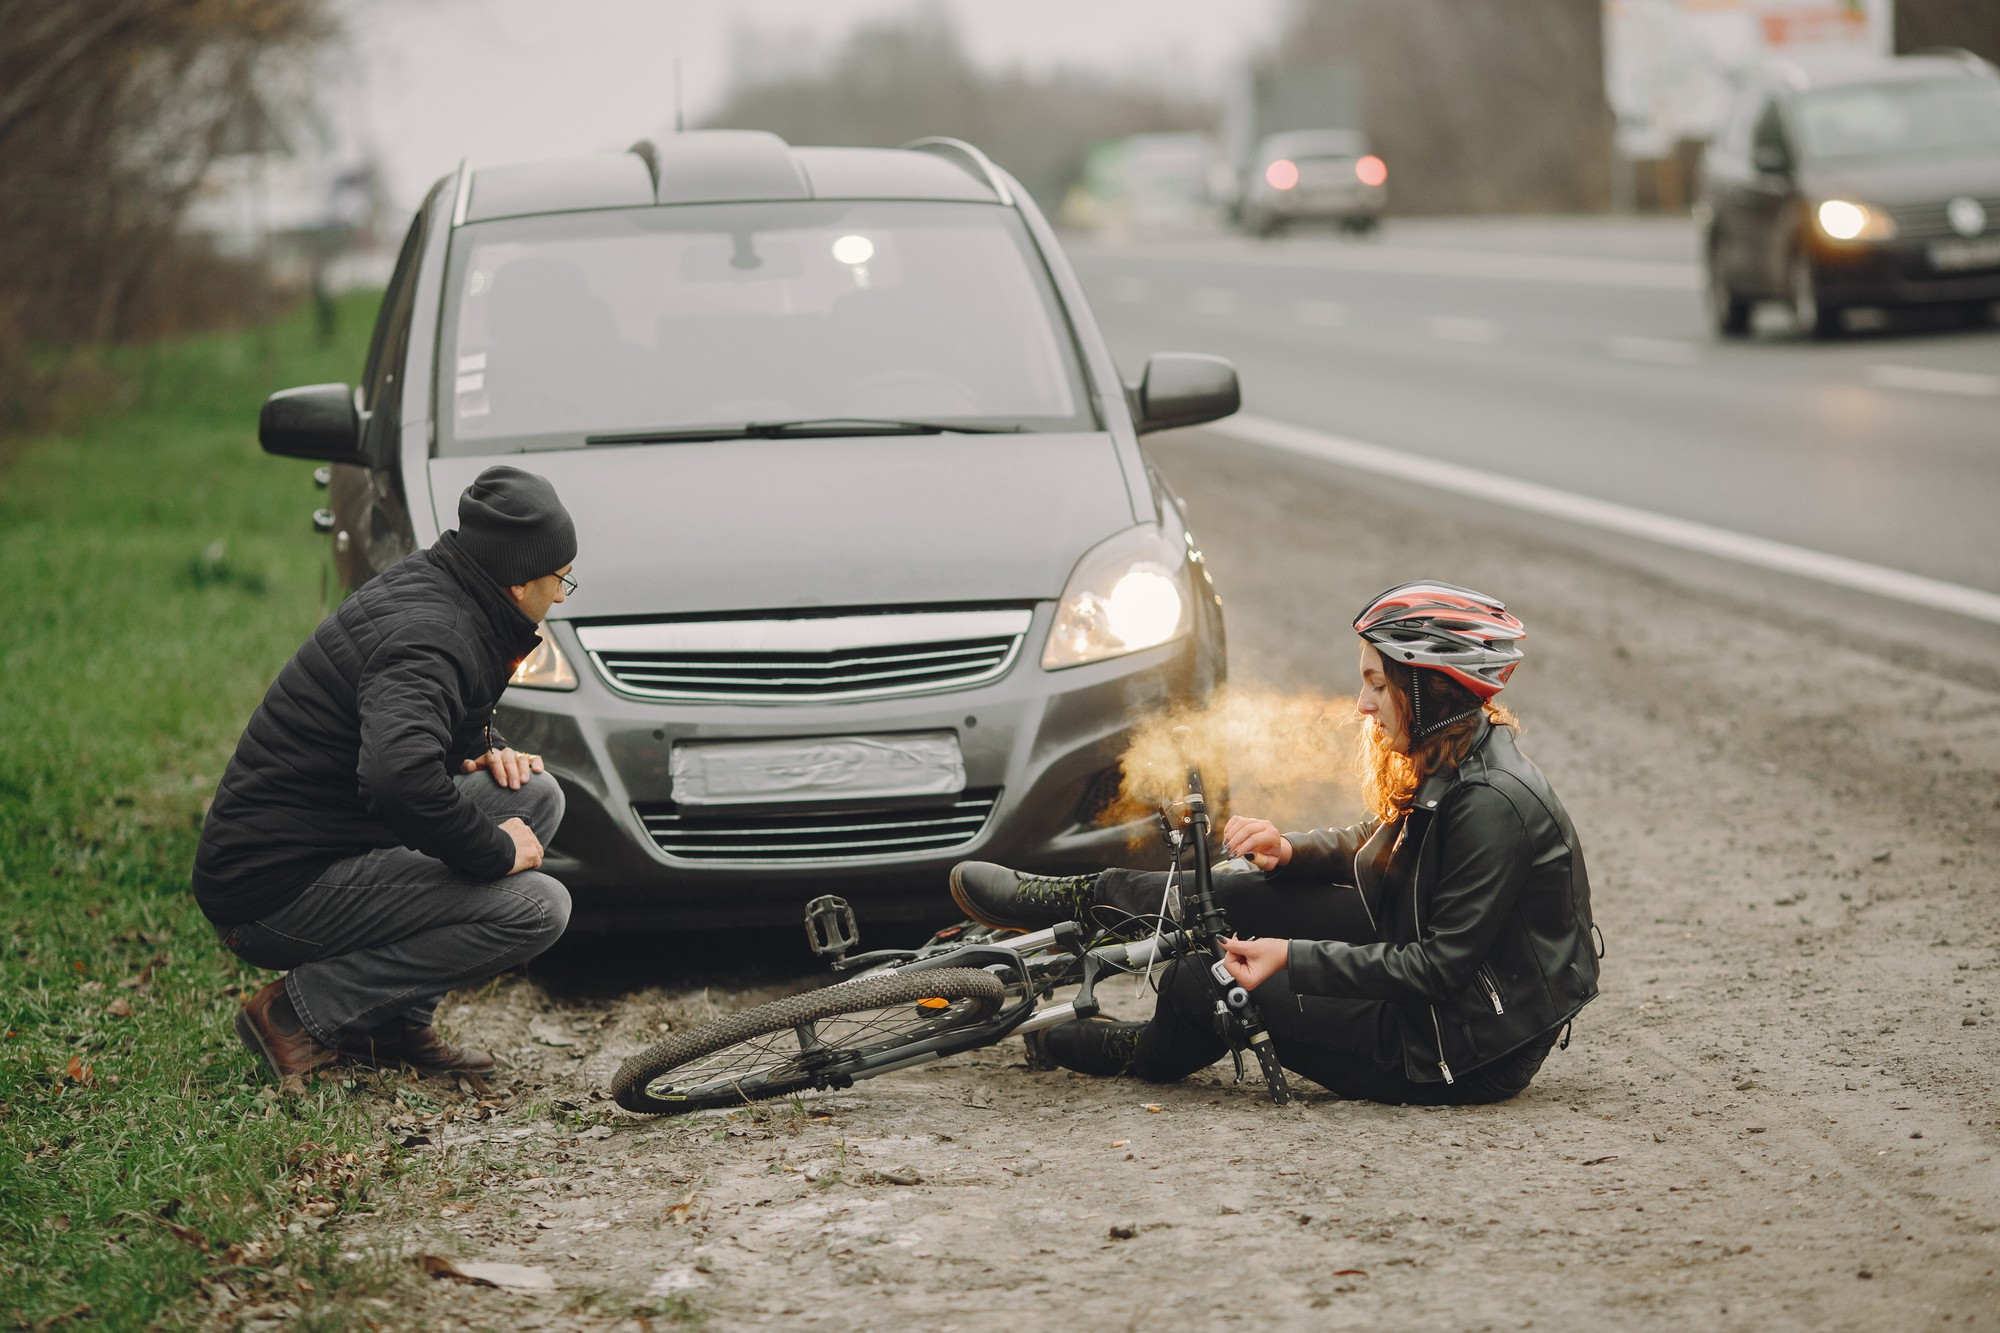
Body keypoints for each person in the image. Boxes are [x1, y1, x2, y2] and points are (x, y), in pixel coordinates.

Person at [950, 580, 1601, 1106]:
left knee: (1199, 981)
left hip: (1453, 1043)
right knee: (1233, 888)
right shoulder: (1454, 756)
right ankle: (1065, 900)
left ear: (1430, 690)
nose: (1362, 704)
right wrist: (1292, 849)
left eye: (1378, 683)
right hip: (1427, 964)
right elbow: (1384, 844)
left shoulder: (1492, 803)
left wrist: (1290, 957)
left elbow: (1435, 969)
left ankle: (1121, 1047)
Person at [194, 465, 579, 1082]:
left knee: (533, 796)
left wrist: (482, 747)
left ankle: (393, 1021)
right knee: (538, 907)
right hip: (270, 889)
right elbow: (396, 780)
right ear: (517, 582)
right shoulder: (431, 634)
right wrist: (494, 850)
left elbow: (416, 720)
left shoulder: (450, 592)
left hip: (324, 844)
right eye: (560, 579)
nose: (561, 596)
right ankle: (297, 1014)